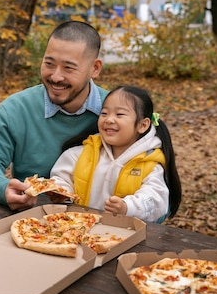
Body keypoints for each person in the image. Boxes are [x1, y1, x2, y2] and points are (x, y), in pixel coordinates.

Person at [0, 21, 109, 211]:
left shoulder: (120, 113)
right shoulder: (16, 109)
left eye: (69, 68)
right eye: (49, 64)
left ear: (95, 68)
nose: (56, 77)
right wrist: (2, 188)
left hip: (106, 223)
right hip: (33, 222)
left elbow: (153, 180)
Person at [50, 85, 181, 223]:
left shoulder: (149, 163)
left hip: (122, 235)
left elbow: (155, 200)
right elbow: (62, 178)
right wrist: (61, 191)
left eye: (119, 114)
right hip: (76, 229)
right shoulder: (82, 153)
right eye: (104, 113)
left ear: (142, 125)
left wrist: (127, 207)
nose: (109, 120)